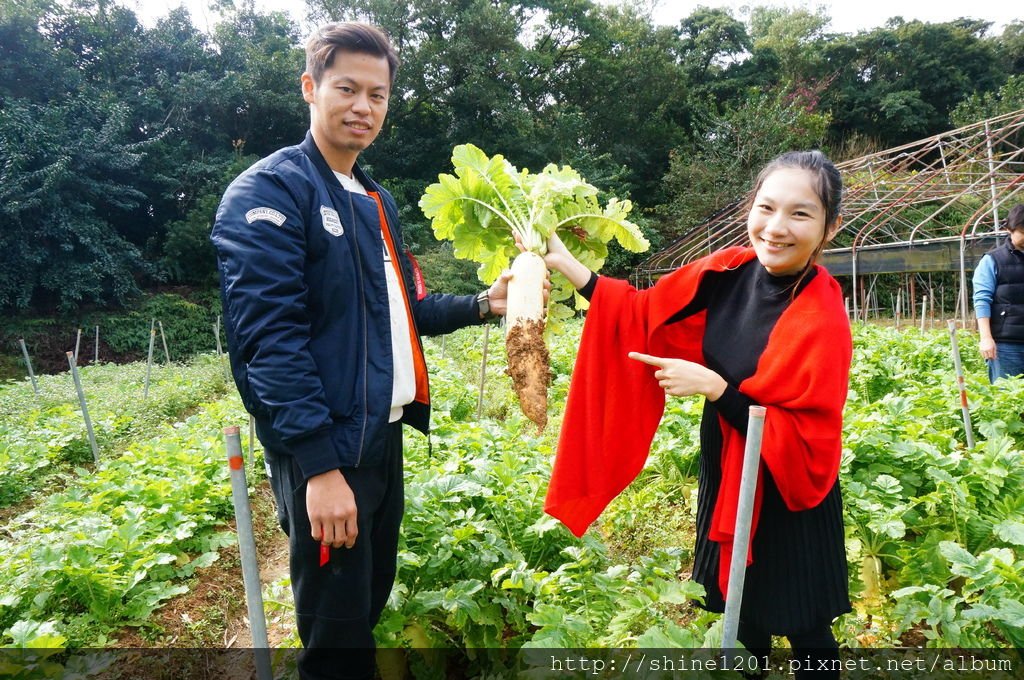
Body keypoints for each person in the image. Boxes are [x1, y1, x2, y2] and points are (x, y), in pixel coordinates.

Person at [211, 22, 515, 680]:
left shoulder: (377, 200)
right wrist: (319, 469)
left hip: (381, 442)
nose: (363, 107)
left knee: (365, 604)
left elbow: (404, 311)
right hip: (327, 449)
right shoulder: (270, 193)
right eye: (347, 88)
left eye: (377, 95)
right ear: (310, 88)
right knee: (336, 631)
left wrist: (484, 305)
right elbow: (269, 344)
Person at [543, 151, 852, 678]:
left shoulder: (821, 313)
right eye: (766, 207)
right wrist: (571, 268)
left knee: (806, 623)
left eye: (800, 214)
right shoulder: (727, 272)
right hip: (729, 462)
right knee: (742, 611)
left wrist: (716, 389)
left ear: (829, 226)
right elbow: (646, 312)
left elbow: (804, 426)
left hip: (789, 485)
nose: (776, 228)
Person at [973, 204, 1024, 382]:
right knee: (1009, 401)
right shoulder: (993, 260)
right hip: (1007, 346)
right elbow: (981, 300)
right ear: (1009, 229)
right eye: (1023, 232)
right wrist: (986, 338)